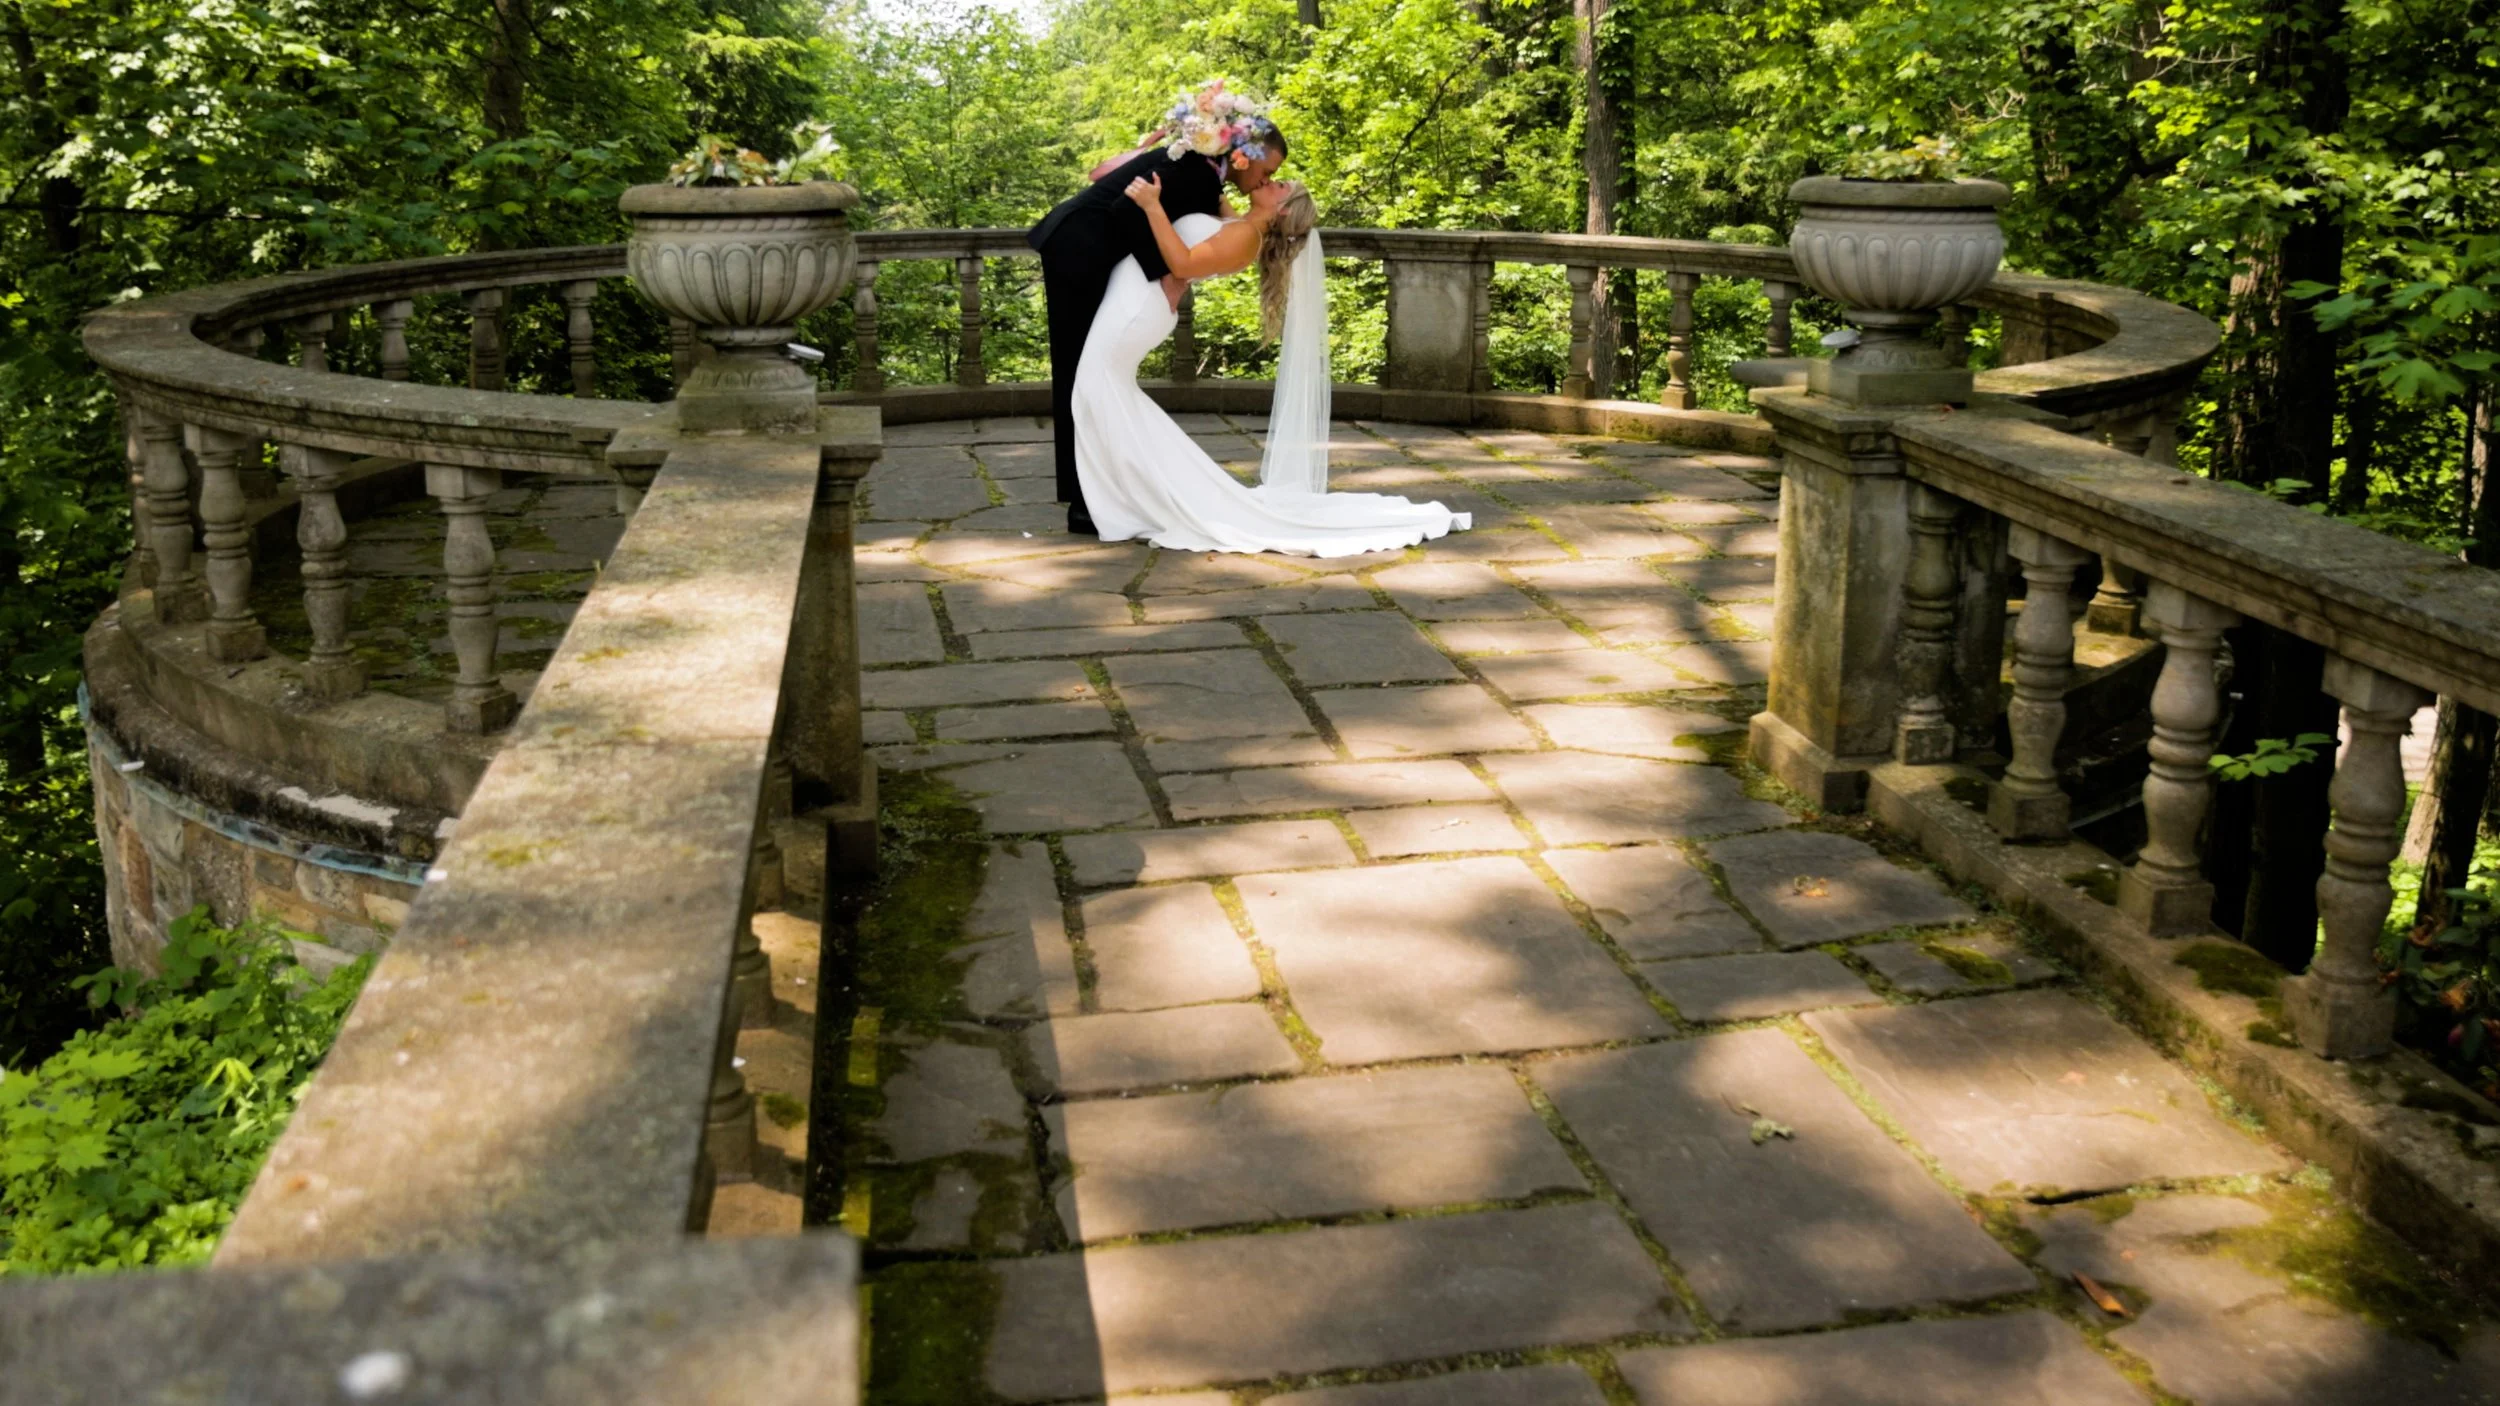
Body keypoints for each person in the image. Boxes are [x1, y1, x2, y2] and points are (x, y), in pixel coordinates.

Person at [1058, 173, 1469, 557]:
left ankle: (1130, 500)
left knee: (1097, 388)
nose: (1272, 180)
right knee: (1104, 393)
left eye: (1280, 184)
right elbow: (1120, 177)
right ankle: (1132, 497)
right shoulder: (1240, 224)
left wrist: (1152, 207)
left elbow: (1182, 264)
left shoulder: (1247, 237)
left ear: (1284, 209)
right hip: (1137, 299)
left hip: (1138, 309)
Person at [1027, 124, 1284, 534]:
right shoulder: (1196, 171)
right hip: (1079, 248)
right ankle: (1084, 502)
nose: (1264, 180)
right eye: (1266, 171)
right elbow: (1126, 209)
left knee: (1090, 377)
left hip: (1093, 251)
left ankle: (1094, 495)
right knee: (1078, 373)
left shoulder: (1205, 173)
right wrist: (1166, 276)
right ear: (1245, 154)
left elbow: (1227, 227)